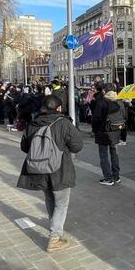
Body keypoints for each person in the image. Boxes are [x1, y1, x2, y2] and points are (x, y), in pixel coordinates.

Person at [18, 95, 84, 253]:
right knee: (61, 203)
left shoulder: (33, 123)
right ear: (59, 108)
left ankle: (54, 225)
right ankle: (54, 238)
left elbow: (24, 147)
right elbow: (77, 146)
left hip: (39, 169)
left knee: (49, 198)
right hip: (59, 169)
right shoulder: (63, 123)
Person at [90, 83, 122, 186]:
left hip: (103, 132)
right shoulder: (119, 101)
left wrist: (95, 130)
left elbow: (95, 119)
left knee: (103, 155)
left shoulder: (102, 102)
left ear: (104, 91)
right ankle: (116, 176)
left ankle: (108, 178)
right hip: (116, 131)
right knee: (115, 154)